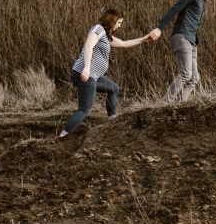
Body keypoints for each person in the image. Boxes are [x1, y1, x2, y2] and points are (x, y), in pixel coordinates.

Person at [59, 9, 157, 137]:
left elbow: (124, 43)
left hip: (94, 76)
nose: (119, 26)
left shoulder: (106, 35)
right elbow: (88, 46)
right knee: (84, 110)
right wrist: (87, 68)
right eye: (119, 22)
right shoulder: (98, 29)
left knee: (113, 88)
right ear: (112, 20)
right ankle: (62, 136)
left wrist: (144, 39)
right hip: (85, 74)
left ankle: (112, 120)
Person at [149, 0, 216, 103]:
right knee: (186, 74)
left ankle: (180, 106)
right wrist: (160, 28)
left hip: (192, 41)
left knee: (194, 78)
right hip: (182, 37)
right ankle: (164, 104)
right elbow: (174, 9)